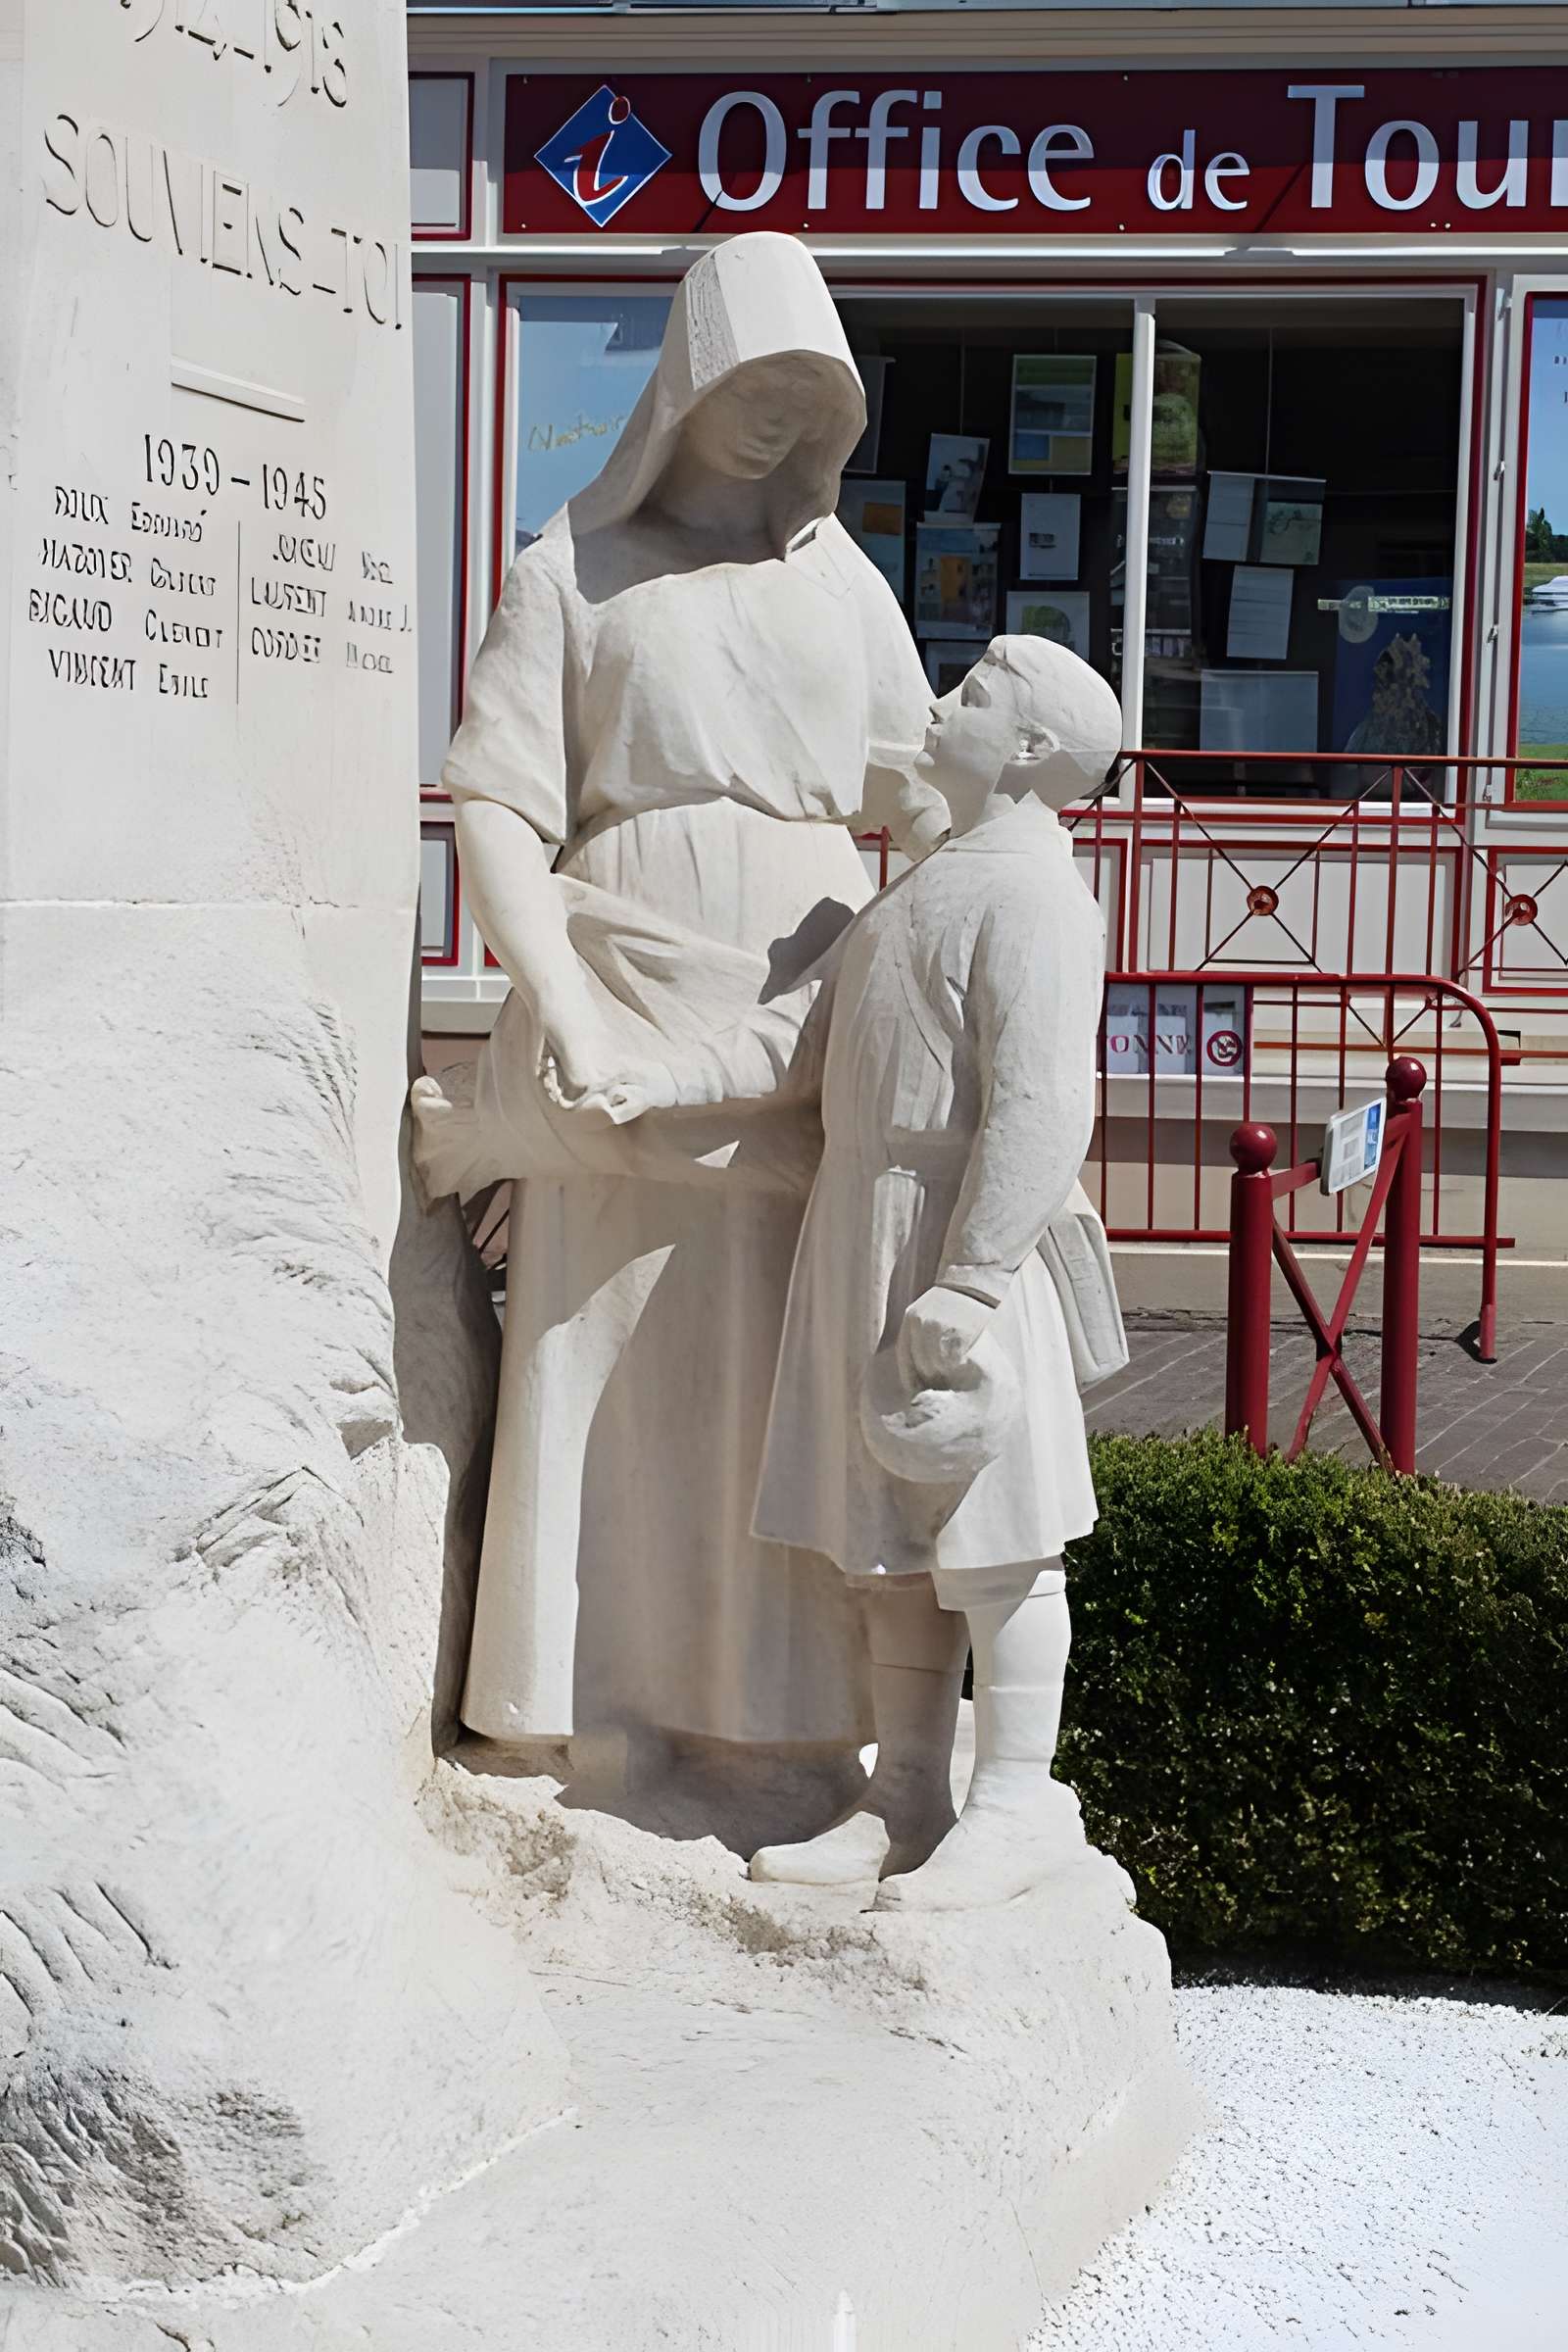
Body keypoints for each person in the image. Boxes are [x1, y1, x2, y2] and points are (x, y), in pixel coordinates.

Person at [413, 234, 942, 1839]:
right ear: (687, 378)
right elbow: (498, 805)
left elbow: (928, 796)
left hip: (802, 1004)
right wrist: (565, 1001)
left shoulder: (841, 584)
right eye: (752, 384)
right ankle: (595, 1717)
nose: (778, 420)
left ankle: (782, 1730)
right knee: (608, 1354)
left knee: (776, 1366)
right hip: (625, 978)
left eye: (811, 395)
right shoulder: (571, 566)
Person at [601, 636, 1122, 1907]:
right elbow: (797, 1036)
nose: (942, 701)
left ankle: (1016, 1801)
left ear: (1032, 750)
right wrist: (657, 1080)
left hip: (960, 1237)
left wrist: (975, 1277)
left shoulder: (1037, 897)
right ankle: (907, 1795)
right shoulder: (922, 886)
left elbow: (1045, 1104)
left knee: (997, 1539)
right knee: (885, 1540)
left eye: (976, 691)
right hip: (863, 1225)